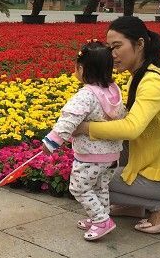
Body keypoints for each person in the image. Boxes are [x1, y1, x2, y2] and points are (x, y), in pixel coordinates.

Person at [74, 17, 160, 233]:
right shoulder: (141, 75)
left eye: (117, 46)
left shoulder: (153, 81)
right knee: (93, 174)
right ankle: (133, 205)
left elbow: (131, 128)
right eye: (109, 48)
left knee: (87, 181)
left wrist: (84, 128)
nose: (111, 54)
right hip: (154, 165)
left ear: (140, 44)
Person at [41, 41, 126, 241]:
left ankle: (101, 221)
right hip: (112, 155)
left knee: (78, 187)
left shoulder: (85, 95)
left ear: (81, 69)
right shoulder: (113, 91)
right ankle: (100, 215)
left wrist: (51, 143)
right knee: (99, 187)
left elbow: (68, 120)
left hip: (91, 155)